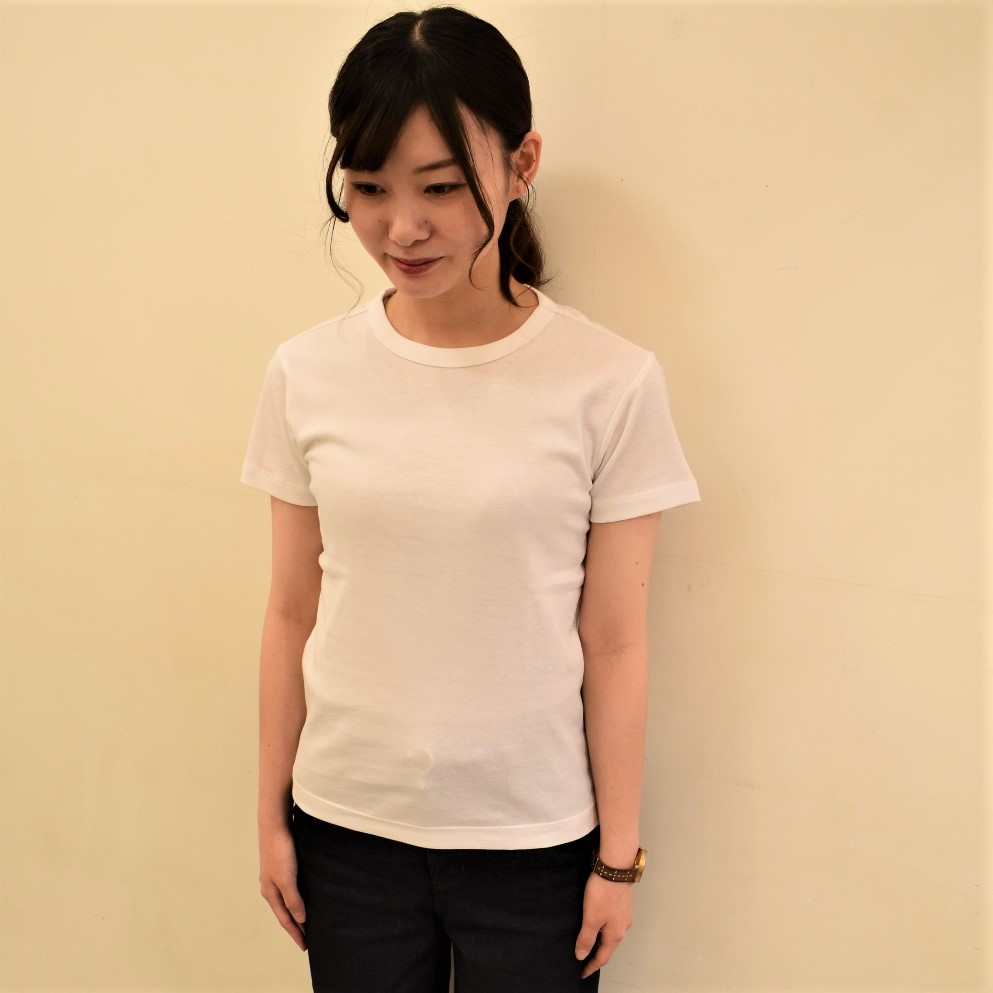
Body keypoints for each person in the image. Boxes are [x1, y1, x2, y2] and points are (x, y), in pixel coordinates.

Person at [241, 7, 699, 992]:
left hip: (533, 845)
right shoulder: (305, 373)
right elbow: (290, 611)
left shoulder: (609, 382)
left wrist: (617, 858)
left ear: (521, 164)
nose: (401, 228)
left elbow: (615, 639)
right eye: (369, 187)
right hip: (345, 832)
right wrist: (271, 816)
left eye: (441, 187)